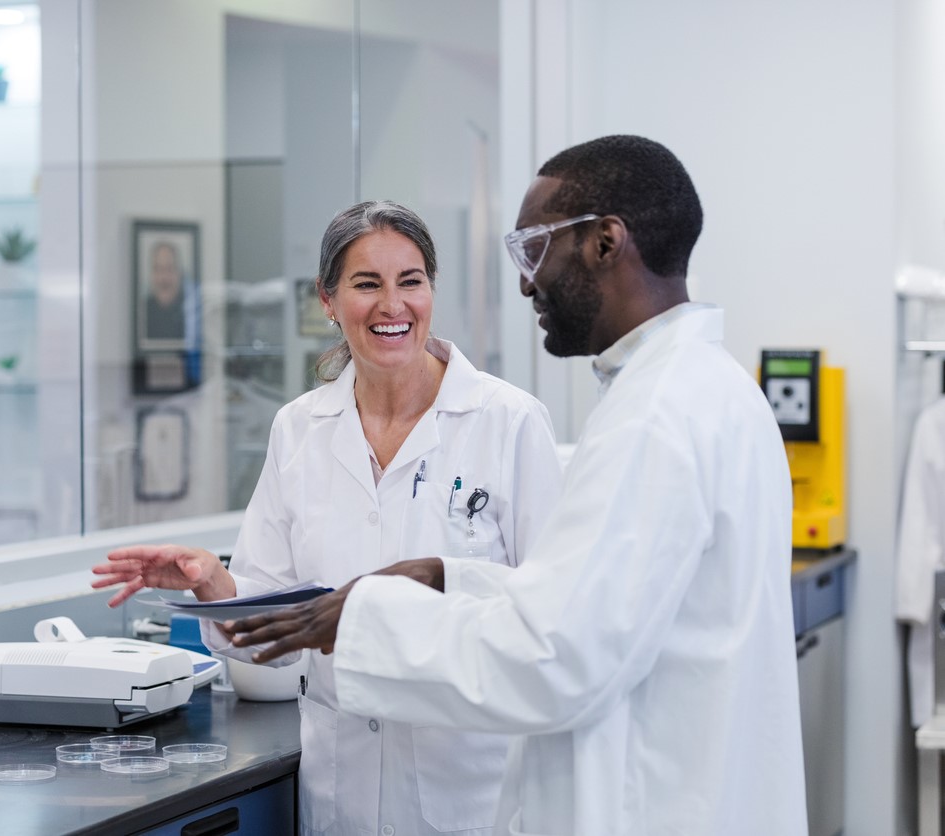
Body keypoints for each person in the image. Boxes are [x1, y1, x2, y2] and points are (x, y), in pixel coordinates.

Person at [225, 136, 809, 836]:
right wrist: (450, 577)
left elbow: (557, 660)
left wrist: (368, 616)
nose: (527, 281)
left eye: (534, 248)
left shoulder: (649, 418)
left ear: (602, 242)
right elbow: (596, 610)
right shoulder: (711, 389)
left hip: (644, 801)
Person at [92, 200, 565, 836]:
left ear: (432, 289)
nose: (393, 306)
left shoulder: (508, 422)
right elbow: (272, 631)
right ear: (328, 300)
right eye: (367, 284)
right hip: (340, 795)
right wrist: (213, 583)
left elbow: (552, 619)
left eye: (411, 281)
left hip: (470, 793)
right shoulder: (300, 428)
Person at [144, 240, 185, 343]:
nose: (164, 278)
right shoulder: (142, 311)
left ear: (178, 273)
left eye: (169, 269)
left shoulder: (191, 311)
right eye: (158, 269)